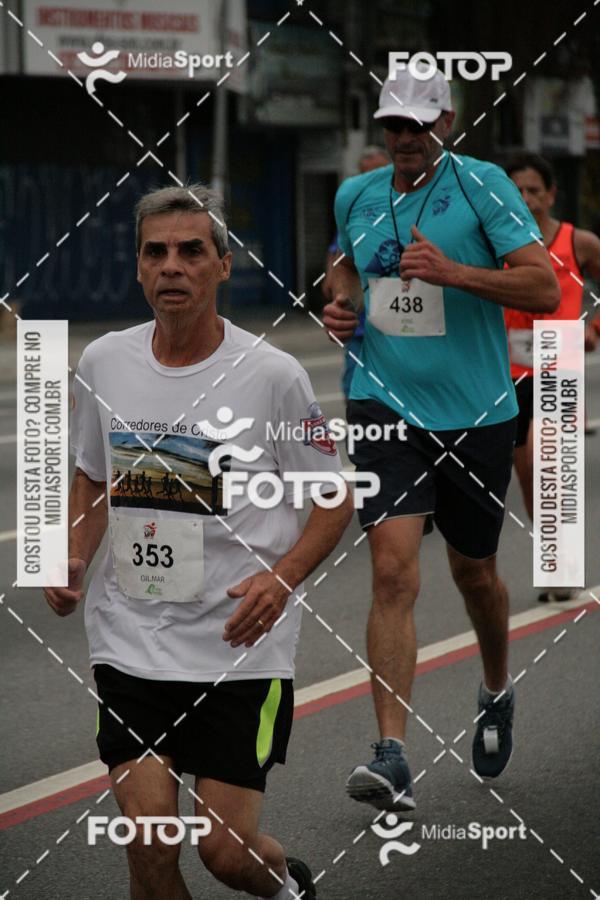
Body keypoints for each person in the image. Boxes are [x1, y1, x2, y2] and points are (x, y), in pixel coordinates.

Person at [43, 184, 353, 899]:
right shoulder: (105, 363)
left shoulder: (272, 376)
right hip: (131, 641)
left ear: (222, 264)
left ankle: (287, 888)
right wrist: (73, 553)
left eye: (190, 251)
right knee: (151, 845)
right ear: (138, 267)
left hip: (237, 651)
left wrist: (281, 579)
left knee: (226, 854)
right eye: (156, 252)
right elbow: (92, 474)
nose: (171, 267)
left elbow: (333, 498)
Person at [322, 65, 559, 811]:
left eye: (417, 126)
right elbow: (343, 267)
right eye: (393, 125)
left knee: (474, 574)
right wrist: (340, 304)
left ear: (446, 123)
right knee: (393, 571)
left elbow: (544, 287)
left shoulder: (485, 187)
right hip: (383, 406)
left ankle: (495, 688)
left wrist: (454, 273)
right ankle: (391, 755)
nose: (404, 138)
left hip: (476, 414)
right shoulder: (357, 195)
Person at [504, 153, 600, 598]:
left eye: (534, 191)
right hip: (508, 368)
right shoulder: (497, 242)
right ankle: (556, 555)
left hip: (558, 362)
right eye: (517, 191)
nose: (526, 199)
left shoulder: (577, 241)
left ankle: (563, 567)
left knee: (551, 466)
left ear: (551, 195)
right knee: (527, 471)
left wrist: (593, 328)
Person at [322, 145, 390, 399]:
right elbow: (335, 264)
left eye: (380, 172)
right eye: (367, 174)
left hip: (402, 328)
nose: (374, 180)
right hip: (361, 328)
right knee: (355, 389)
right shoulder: (355, 217)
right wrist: (339, 295)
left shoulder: (409, 211)